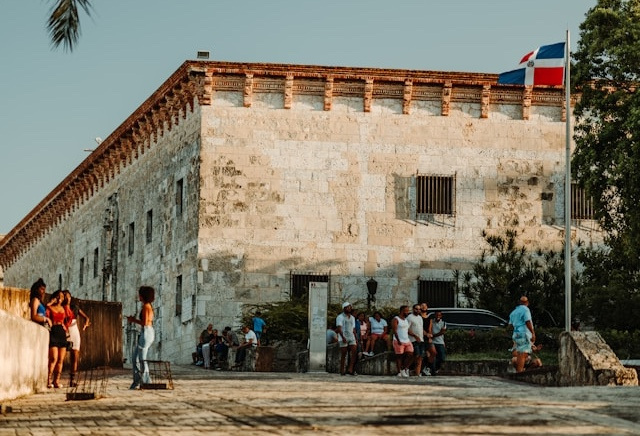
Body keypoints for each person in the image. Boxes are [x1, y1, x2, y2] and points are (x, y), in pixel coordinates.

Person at [127, 286, 155, 389]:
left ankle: (146, 381)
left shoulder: (146, 307)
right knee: (135, 358)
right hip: (146, 332)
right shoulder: (147, 306)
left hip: (146, 332)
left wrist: (132, 320)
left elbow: (145, 322)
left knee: (142, 358)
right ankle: (137, 381)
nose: (138, 296)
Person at [62, 290, 90, 387]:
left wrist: (86, 324)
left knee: (75, 357)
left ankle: (72, 380)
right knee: (60, 357)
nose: (67, 298)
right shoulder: (60, 308)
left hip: (74, 331)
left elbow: (86, 317)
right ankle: (55, 379)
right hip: (64, 331)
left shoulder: (75, 308)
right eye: (65, 296)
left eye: (68, 296)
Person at [45, 290, 68, 388]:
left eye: (62, 297)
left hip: (62, 333)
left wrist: (65, 327)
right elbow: (45, 314)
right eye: (58, 296)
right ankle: (48, 380)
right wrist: (50, 303)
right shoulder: (50, 307)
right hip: (53, 331)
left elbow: (68, 319)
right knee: (53, 358)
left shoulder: (64, 308)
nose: (60, 299)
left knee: (60, 359)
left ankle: (56, 381)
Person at [508, 296, 535, 373]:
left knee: (520, 353)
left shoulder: (514, 312)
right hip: (524, 334)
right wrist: (533, 333)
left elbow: (510, 325)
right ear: (527, 303)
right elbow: (527, 321)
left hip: (516, 334)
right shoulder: (526, 309)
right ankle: (520, 373)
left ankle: (519, 371)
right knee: (523, 354)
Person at [391, 305, 413, 377]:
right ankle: (399, 372)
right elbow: (394, 330)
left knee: (410, 353)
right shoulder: (396, 319)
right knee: (399, 356)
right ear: (402, 311)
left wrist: (415, 336)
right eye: (406, 311)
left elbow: (407, 330)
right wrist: (398, 340)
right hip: (398, 340)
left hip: (406, 340)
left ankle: (403, 368)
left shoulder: (406, 320)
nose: (407, 312)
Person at [336, 302, 357, 375]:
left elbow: (353, 328)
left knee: (354, 351)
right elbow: (339, 328)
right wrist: (342, 337)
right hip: (344, 335)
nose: (349, 308)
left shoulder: (352, 318)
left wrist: (356, 337)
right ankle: (342, 369)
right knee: (344, 353)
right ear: (344, 308)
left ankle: (350, 368)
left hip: (351, 336)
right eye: (347, 307)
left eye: (350, 307)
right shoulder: (340, 317)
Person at [406, 304, 425, 377]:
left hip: (421, 339)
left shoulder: (420, 318)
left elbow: (421, 328)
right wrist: (415, 336)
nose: (418, 310)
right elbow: (407, 329)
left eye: (419, 309)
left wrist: (426, 334)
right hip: (413, 340)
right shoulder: (410, 318)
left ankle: (417, 372)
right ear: (413, 309)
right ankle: (405, 368)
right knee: (415, 355)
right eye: (416, 309)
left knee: (420, 356)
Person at [420, 302, 437, 376]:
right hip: (421, 337)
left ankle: (426, 367)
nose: (424, 307)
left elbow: (430, 328)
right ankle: (421, 369)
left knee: (433, 352)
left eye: (425, 306)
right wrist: (426, 334)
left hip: (428, 338)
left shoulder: (429, 317)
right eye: (422, 306)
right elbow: (420, 327)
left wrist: (429, 336)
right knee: (424, 354)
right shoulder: (419, 317)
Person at [431, 310, 447, 375]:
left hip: (440, 342)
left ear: (441, 316)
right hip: (433, 342)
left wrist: (433, 336)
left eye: (439, 315)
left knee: (442, 358)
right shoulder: (431, 322)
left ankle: (436, 368)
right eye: (437, 315)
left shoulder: (443, 323)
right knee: (433, 356)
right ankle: (433, 371)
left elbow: (442, 332)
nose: (438, 316)